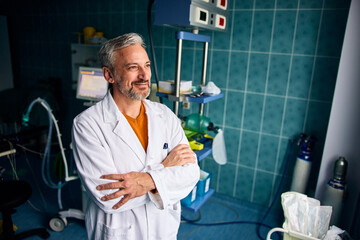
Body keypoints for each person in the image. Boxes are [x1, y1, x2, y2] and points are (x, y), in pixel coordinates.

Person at [72, 33, 200, 240]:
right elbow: (109, 198)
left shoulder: (165, 115)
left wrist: (143, 181)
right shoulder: (87, 125)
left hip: (163, 228)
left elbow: (191, 174)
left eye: (147, 65)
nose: (144, 75)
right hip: (119, 232)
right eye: (133, 67)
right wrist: (165, 169)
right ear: (109, 75)